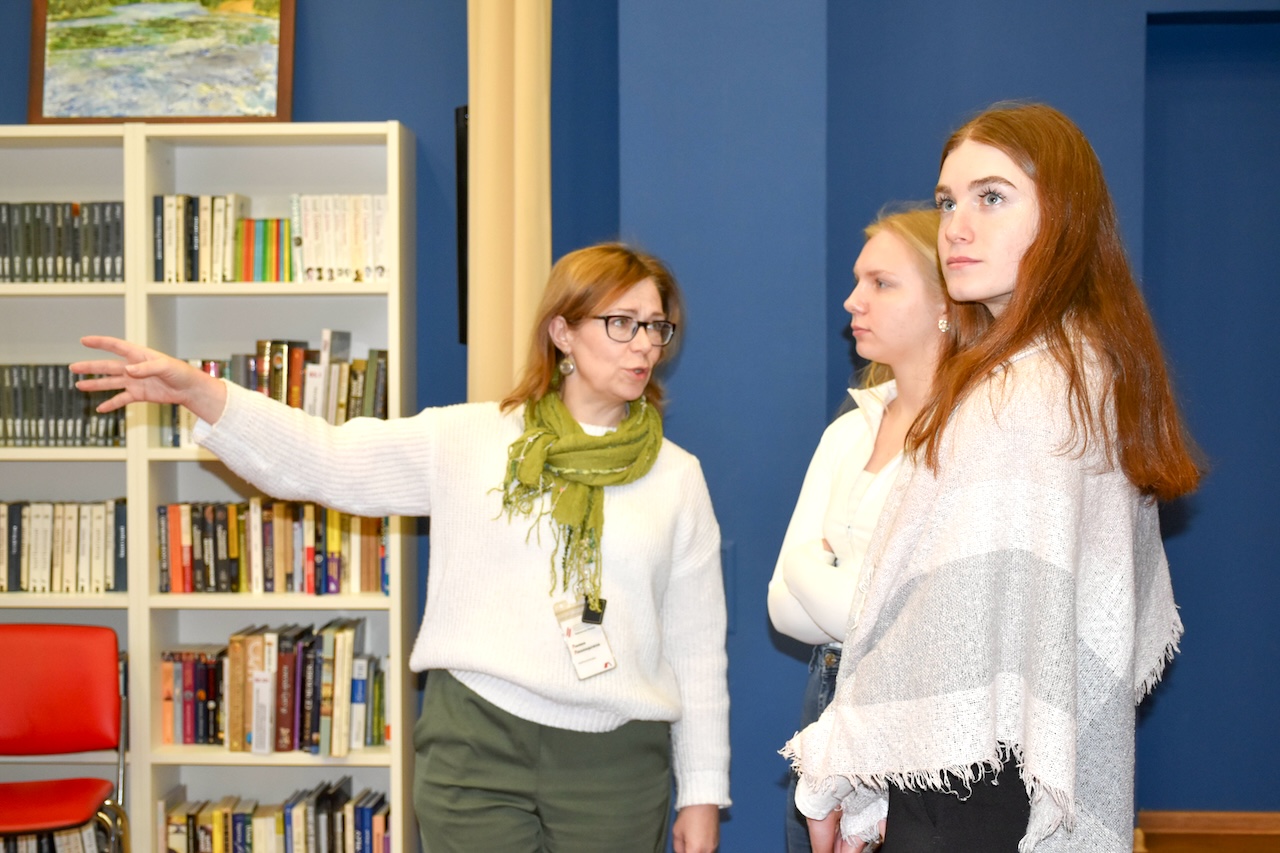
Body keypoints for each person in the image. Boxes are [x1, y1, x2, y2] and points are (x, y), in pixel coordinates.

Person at [73, 243, 730, 853]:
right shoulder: (468, 438)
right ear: (562, 331)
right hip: (476, 743)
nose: (644, 344)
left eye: (656, 326)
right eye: (622, 323)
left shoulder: (677, 476)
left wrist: (702, 791)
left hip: (616, 764)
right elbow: (326, 459)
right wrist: (204, 393)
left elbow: (696, 647)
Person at [783, 102, 1201, 853]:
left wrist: (834, 768)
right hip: (997, 771)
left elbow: (945, 629)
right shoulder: (1086, 369)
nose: (957, 226)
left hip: (971, 795)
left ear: (1063, 218)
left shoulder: (1023, 392)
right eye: (948, 201)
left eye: (993, 197)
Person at [767, 206, 983, 853]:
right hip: (823, 709)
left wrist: (810, 566)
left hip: (920, 725)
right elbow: (783, 609)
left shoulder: (975, 434)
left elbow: (925, 626)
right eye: (859, 280)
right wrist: (850, 585)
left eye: (882, 283)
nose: (852, 300)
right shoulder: (849, 430)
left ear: (946, 302)